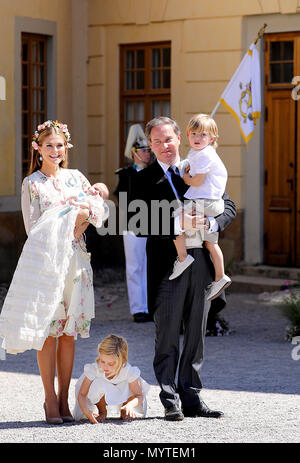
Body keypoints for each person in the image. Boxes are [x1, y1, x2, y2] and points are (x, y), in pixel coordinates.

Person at [0, 120, 109, 424]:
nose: (55, 150)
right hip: (47, 264)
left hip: (75, 262)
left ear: (66, 147)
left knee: (69, 333)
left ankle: (65, 398)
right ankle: (49, 397)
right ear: (38, 148)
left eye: (60, 145)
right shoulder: (31, 183)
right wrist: (71, 220)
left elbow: (98, 209)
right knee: (49, 333)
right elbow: (32, 228)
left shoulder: (76, 178)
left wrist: (81, 219)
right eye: (49, 145)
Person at [129, 116, 236, 421]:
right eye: (157, 141)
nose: (164, 146)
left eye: (169, 139)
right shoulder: (141, 178)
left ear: (180, 139)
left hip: (201, 261)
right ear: (150, 144)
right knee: (167, 333)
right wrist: (178, 223)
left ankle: (191, 395)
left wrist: (215, 222)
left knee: (196, 333)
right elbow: (137, 223)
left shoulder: (198, 165)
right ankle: (169, 396)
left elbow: (228, 204)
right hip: (168, 265)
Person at [169, 114, 232, 301]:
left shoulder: (205, 154)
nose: (197, 138)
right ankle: (220, 277)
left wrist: (185, 178)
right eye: (194, 133)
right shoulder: (199, 153)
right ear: (187, 135)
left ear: (212, 138)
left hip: (205, 201)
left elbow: (197, 180)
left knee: (175, 218)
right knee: (211, 243)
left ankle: (182, 258)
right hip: (211, 203)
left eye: (203, 135)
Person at [114, 124, 152, 323]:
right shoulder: (126, 174)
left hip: (154, 223)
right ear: (134, 153)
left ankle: (151, 306)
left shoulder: (155, 172)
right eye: (144, 151)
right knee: (135, 266)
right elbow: (122, 198)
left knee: (151, 266)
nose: (147, 154)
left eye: (148, 150)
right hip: (133, 225)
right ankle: (139, 308)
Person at [73, 333, 150, 423]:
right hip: (103, 392)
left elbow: (139, 395)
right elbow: (82, 394)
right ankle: (102, 411)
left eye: (111, 364)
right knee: (98, 383)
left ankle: (124, 410)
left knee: (129, 384)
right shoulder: (94, 369)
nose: (105, 367)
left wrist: (130, 405)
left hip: (123, 392)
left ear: (122, 361)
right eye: (102, 361)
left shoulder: (128, 371)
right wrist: (86, 412)